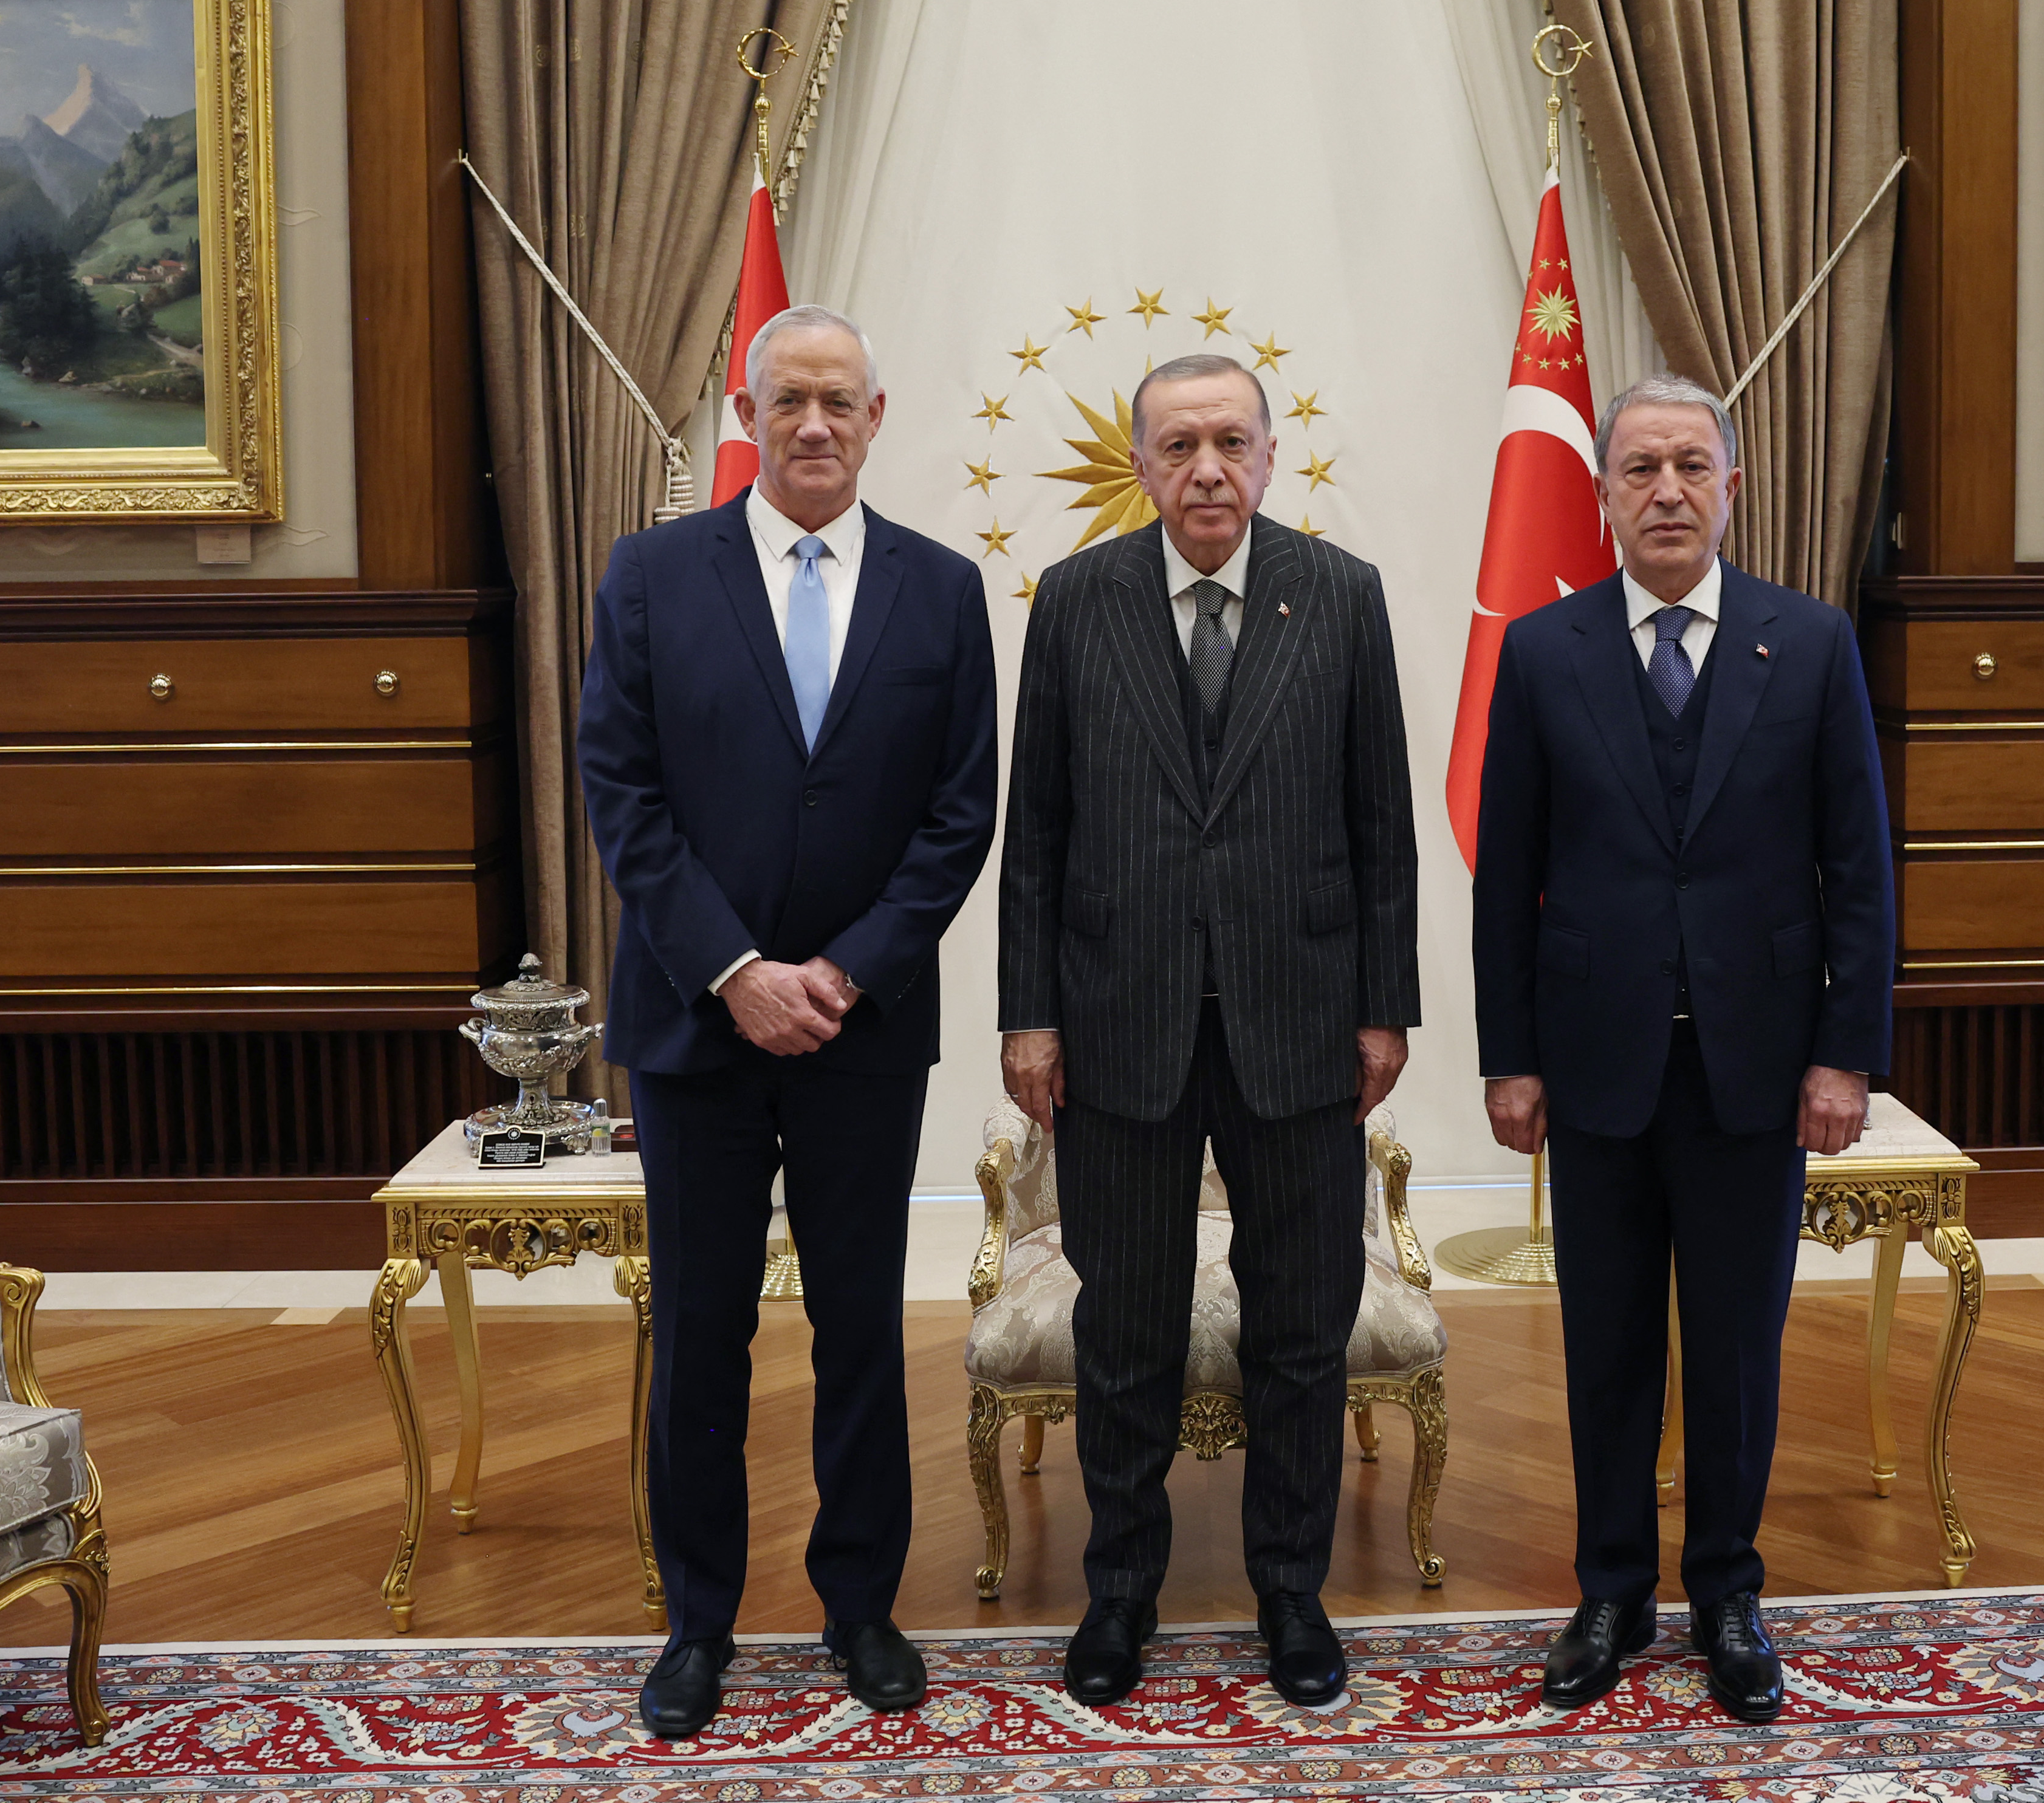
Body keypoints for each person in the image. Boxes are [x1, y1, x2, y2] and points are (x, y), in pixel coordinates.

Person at [577, 303, 998, 1737]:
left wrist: (848, 972)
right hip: (698, 1032)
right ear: (744, 421)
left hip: (863, 1033)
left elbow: (959, 817)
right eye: (787, 400)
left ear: (879, 419)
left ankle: (860, 1606)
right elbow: (622, 800)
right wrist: (736, 970)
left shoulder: (943, 592)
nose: (814, 423)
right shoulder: (647, 576)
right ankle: (698, 1621)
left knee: (858, 1325)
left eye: (840, 400)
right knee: (698, 1332)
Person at [1471, 373, 1894, 1724]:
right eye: (1639, 468)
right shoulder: (1542, 652)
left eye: (1689, 466)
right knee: (1604, 1340)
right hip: (1593, 1064)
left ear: (1731, 484)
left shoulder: (1812, 643)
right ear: (1601, 492)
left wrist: (1844, 1056)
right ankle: (1608, 1588)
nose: (1665, 490)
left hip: (1754, 1068)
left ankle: (1725, 1587)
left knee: (1733, 1343)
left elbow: (1858, 871)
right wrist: (1508, 1055)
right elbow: (1506, 880)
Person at [998, 352, 1419, 1708]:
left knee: (1304, 1319)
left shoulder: (1340, 595)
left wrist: (1383, 1007)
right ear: (1140, 463)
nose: (1205, 469)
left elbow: (1382, 830)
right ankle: (1121, 1588)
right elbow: (1037, 836)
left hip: (1299, 1022)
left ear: (1270, 455)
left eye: (1229, 441)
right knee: (1127, 1324)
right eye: (1177, 445)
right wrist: (1028, 1015)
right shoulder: (1074, 602)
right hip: (1119, 1025)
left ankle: (1290, 1589)